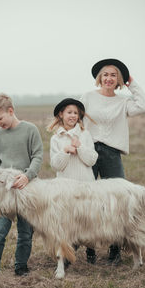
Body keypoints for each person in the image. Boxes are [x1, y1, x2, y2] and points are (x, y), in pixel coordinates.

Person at [80, 58, 145, 265]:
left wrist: (131, 81)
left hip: (111, 153)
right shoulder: (87, 97)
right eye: (105, 74)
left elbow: (143, 106)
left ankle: (115, 249)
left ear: (119, 79)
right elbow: (77, 121)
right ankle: (89, 248)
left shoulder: (123, 101)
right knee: (86, 200)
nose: (109, 78)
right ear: (99, 78)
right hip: (88, 151)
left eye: (113, 75)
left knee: (119, 201)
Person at [0, 93, 43, 281]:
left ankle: (21, 267)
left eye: (0, 118)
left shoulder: (30, 130)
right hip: (3, 192)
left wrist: (27, 175)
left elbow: (38, 156)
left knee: (25, 233)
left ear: (11, 111)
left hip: (25, 189)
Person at [47, 98, 98, 264]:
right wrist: (66, 150)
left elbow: (92, 160)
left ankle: (91, 248)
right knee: (68, 220)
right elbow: (56, 165)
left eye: (76, 113)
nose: (73, 116)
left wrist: (80, 147)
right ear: (61, 114)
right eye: (69, 112)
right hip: (65, 188)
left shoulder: (85, 135)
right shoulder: (56, 139)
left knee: (87, 218)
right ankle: (69, 250)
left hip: (85, 185)